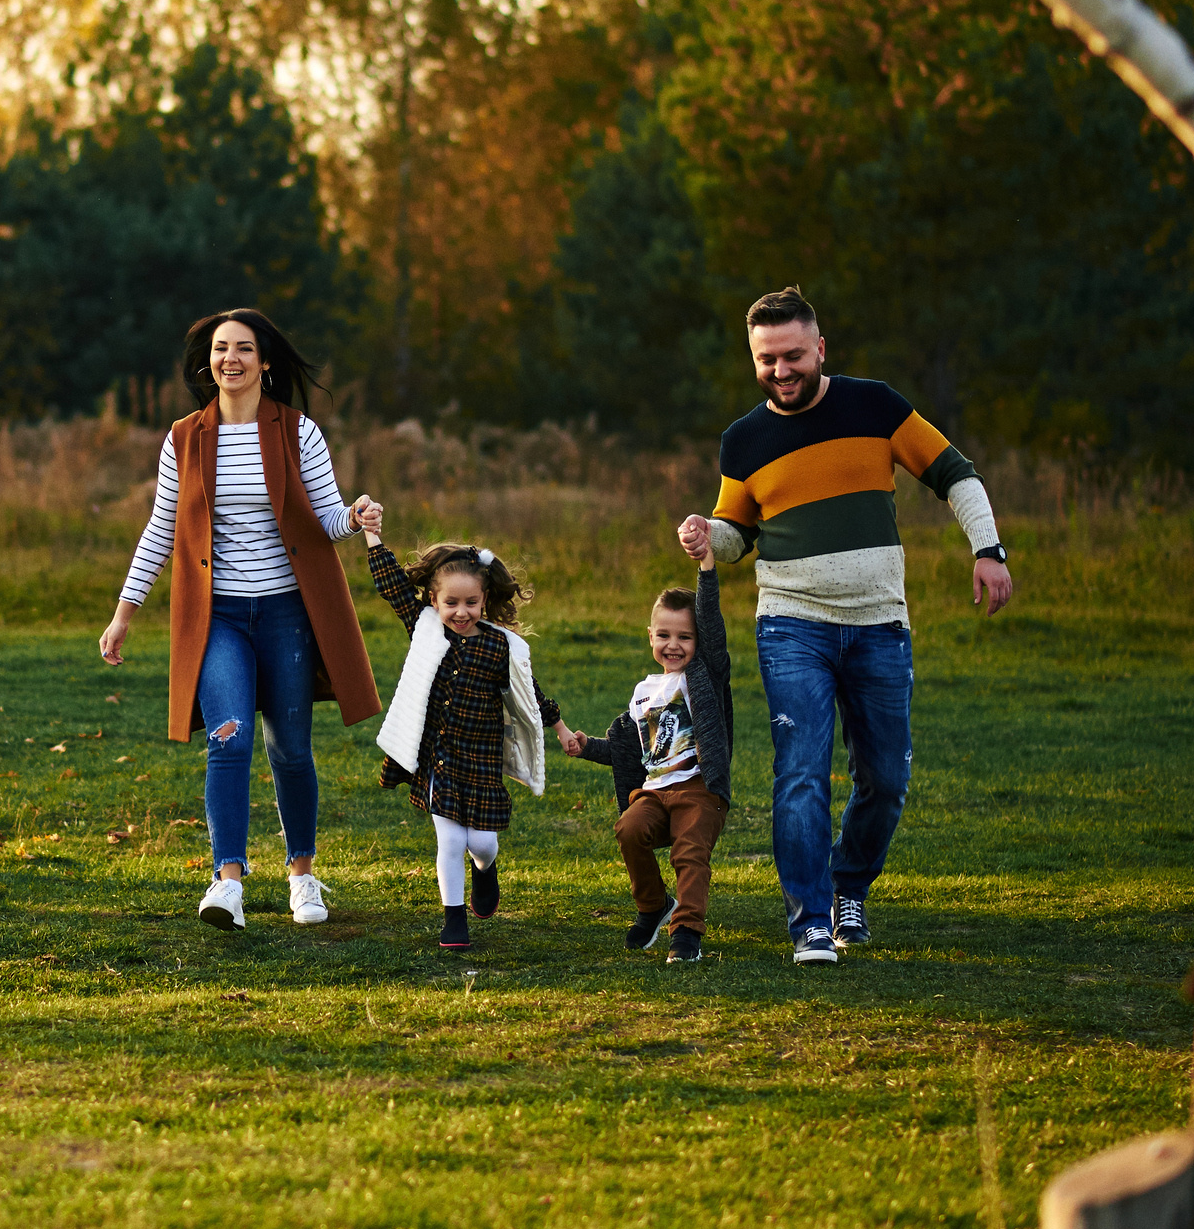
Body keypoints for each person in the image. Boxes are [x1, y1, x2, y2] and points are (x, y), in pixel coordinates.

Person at [678, 285, 1014, 966]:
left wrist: (988, 548)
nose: (781, 370)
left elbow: (956, 472)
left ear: (820, 348)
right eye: (767, 359)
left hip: (879, 624)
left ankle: (848, 884)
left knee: (885, 777)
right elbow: (739, 535)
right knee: (800, 773)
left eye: (794, 355)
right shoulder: (743, 440)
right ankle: (809, 921)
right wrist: (705, 533)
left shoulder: (874, 404)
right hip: (790, 624)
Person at [100, 310, 381, 932]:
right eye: (221, 349)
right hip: (218, 618)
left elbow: (325, 521)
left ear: (265, 362)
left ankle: (302, 876)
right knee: (228, 740)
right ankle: (228, 882)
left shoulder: (297, 432)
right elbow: (162, 528)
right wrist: (125, 614)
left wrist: (356, 517)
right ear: (209, 364)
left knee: (290, 749)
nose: (231, 359)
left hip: (286, 615)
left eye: (244, 349)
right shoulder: (185, 437)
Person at [357, 505, 560, 953]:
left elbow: (530, 694)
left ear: (485, 601)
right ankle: (454, 920)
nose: (461, 612)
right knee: (449, 837)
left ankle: (485, 870)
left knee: (482, 842)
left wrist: (560, 728)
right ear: (433, 600)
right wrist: (372, 536)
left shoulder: (499, 646)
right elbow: (391, 587)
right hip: (439, 755)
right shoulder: (426, 628)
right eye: (451, 603)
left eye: (471, 603)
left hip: (481, 759)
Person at [565, 548, 733, 965]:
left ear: (699, 642)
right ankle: (654, 906)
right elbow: (631, 752)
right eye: (664, 636)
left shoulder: (704, 678)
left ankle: (687, 933)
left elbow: (710, 622)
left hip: (698, 788)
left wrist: (707, 569)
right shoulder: (644, 692)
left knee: (689, 853)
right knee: (628, 828)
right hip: (656, 792)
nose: (673, 645)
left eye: (684, 637)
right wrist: (587, 747)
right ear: (650, 636)